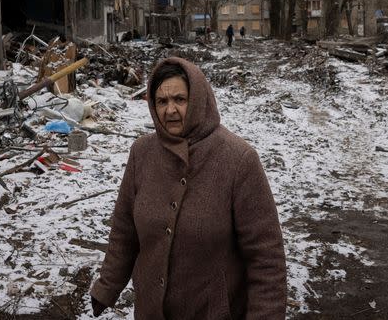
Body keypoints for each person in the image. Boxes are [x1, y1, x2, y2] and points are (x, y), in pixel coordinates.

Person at [90, 58, 287, 319]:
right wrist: (107, 286)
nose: (170, 110)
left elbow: (266, 258)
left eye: (180, 100)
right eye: (162, 101)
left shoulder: (238, 159)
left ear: (197, 100)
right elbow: (124, 231)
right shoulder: (142, 153)